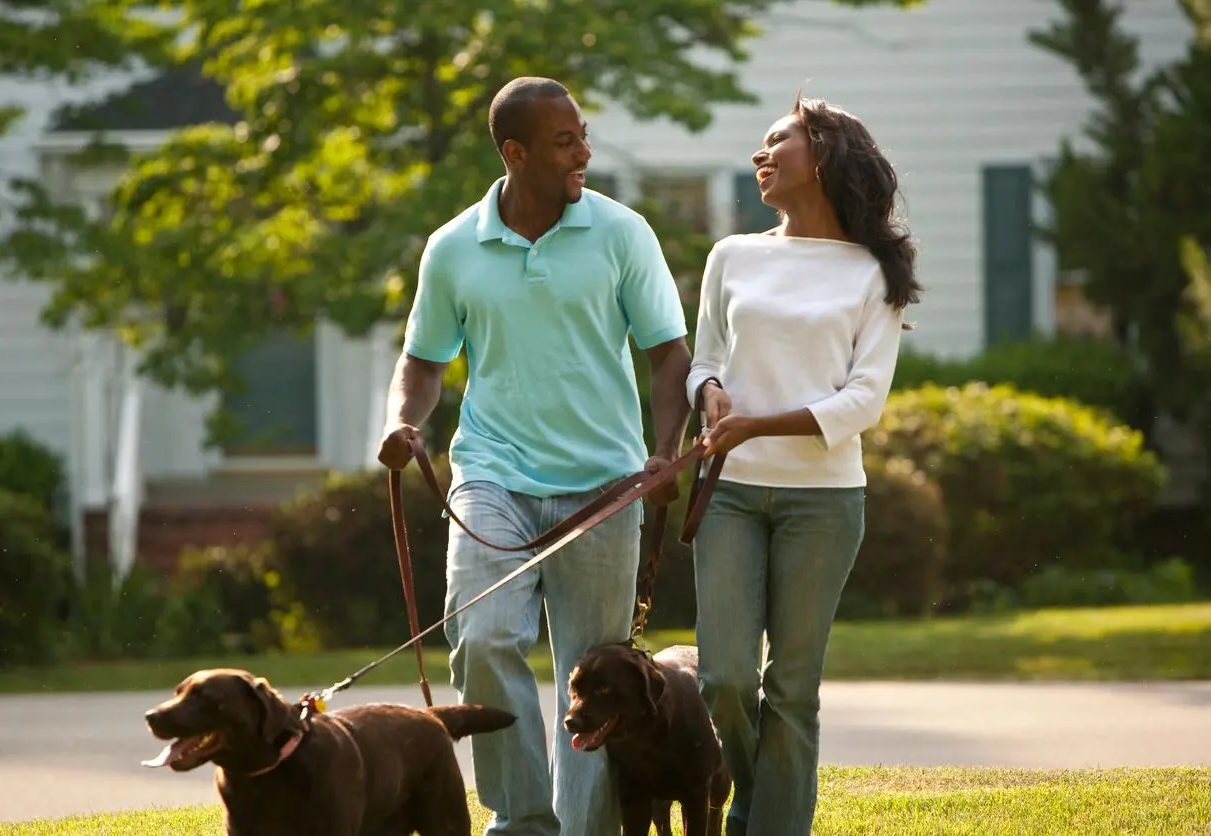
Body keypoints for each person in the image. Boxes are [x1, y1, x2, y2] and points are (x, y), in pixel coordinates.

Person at [377, 76, 692, 836]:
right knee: (482, 639)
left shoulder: (623, 234)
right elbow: (423, 362)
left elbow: (669, 357)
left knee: (598, 676)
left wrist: (664, 455)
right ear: (514, 153)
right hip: (493, 473)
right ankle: (524, 823)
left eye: (582, 133)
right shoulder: (454, 247)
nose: (585, 151)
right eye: (565, 141)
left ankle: (586, 831)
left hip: (605, 488)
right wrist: (404, 422)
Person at [685, 94, 923, 836]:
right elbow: (704, 362)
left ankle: (768, 825)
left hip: (822, 503)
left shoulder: (872, 273)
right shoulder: (733, 255)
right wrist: (714, 393)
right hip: (729, 493)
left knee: (790, 689)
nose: (761, 155)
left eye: (776, 140)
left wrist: (762, 422)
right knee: (723, 679)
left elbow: (863, 402)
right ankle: (761, 800)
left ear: (821, 153)